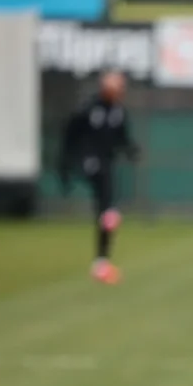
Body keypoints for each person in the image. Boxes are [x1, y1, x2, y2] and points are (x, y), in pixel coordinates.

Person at [58, 70, 139, 284]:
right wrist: (66, 165)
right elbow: (71, 135)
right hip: (89, 161)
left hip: (106, 162)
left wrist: (130, 149)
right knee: (104, 189)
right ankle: (109, 212)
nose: (119, 92)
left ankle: (101, 262)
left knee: (105, 210)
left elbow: (122, 137)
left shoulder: (118, 112)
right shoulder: (89, 109)